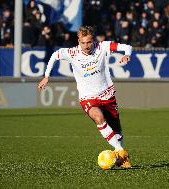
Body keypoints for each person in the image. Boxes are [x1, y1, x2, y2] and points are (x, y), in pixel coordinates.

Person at [38, 26, 132, 168]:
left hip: (107, 94)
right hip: (88, 97)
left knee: (117, 131)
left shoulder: (102, 47)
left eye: (88, 42)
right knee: (98, 117)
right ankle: (120, 151)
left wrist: (127, 54)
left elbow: (127, 46)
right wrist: (46, 76)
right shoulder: (72, 53)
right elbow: (54, 56)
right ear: (78, 41)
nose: (86, 46)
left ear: (93, 40)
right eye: (83, 43)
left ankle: (121, 157)